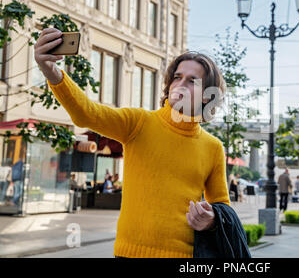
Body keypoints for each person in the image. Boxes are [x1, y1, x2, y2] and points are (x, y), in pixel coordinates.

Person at [35, 29, 231, 258]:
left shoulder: (213, 147)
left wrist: (211, 220)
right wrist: (51, 71)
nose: (180, 84)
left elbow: (221, 207)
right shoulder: (139, 123)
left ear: (208, 95)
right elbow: (87, 114)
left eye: (192, 81)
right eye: (177, 77)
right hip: (130, 254)